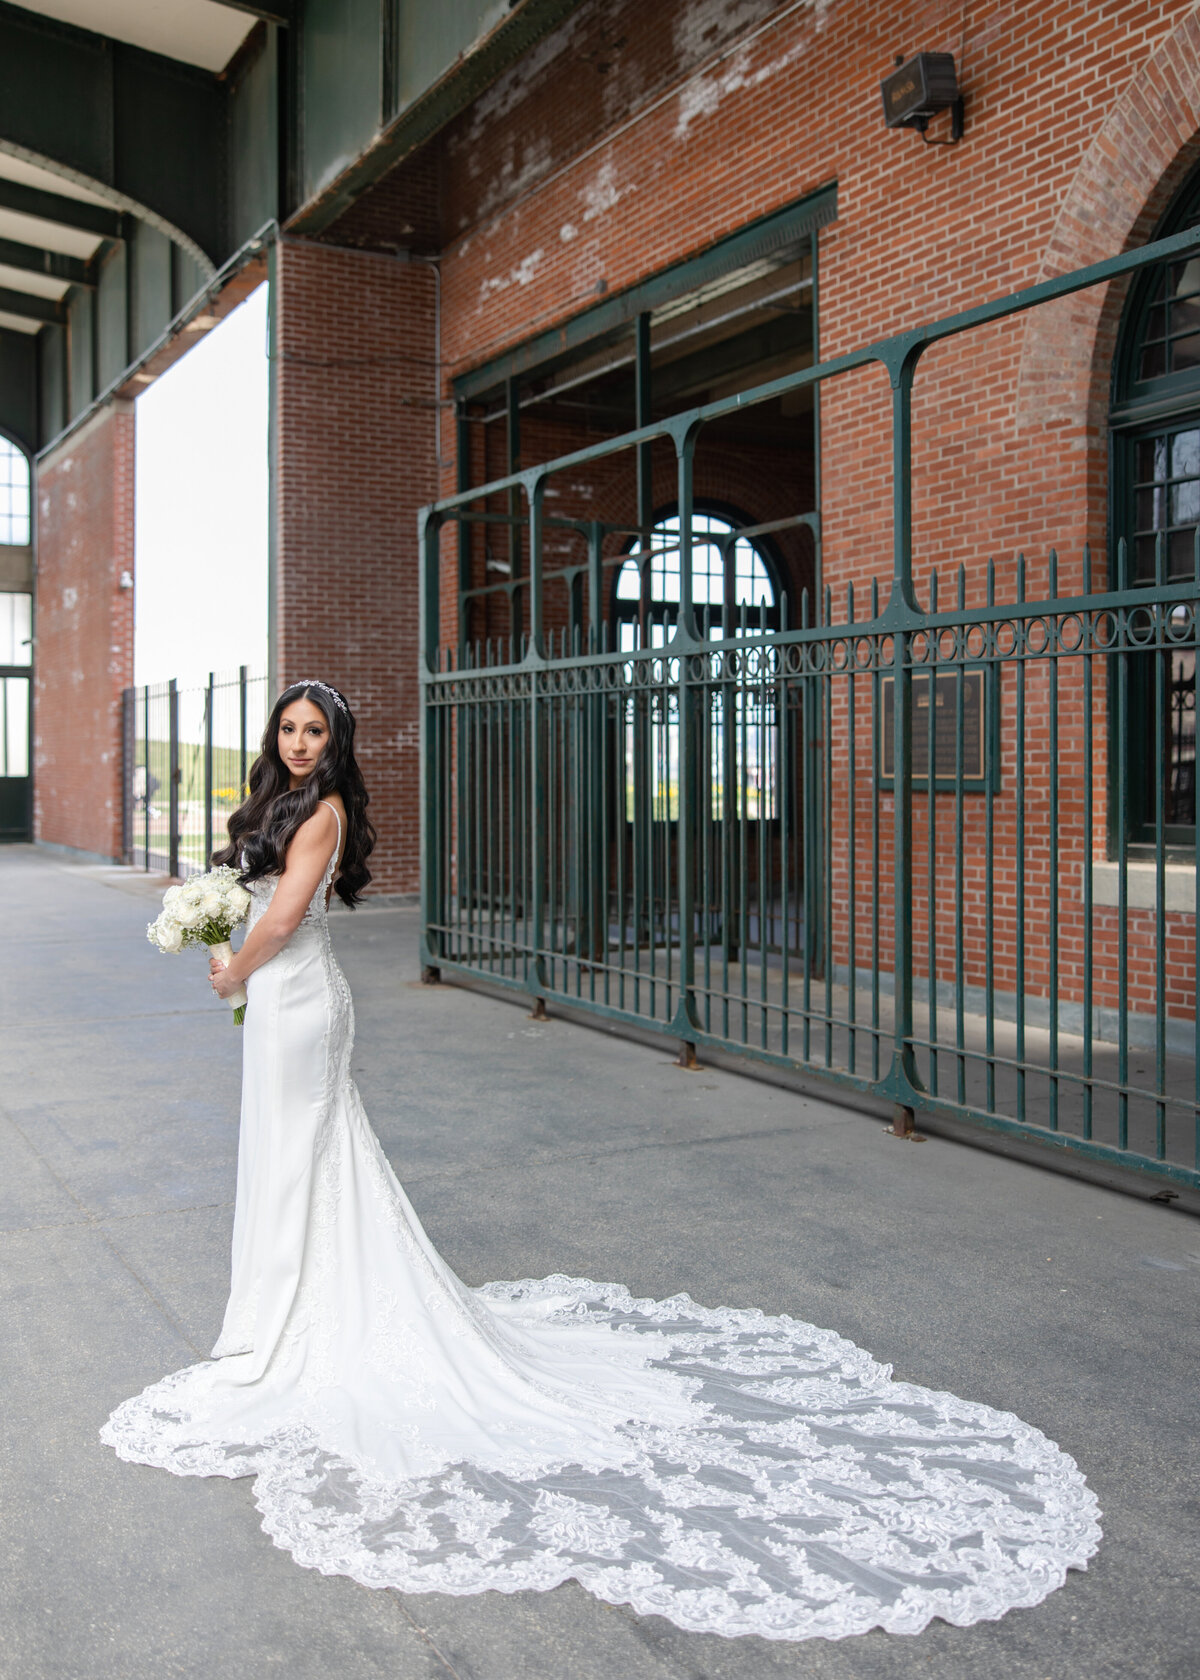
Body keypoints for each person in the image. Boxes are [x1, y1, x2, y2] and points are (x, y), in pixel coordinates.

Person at [102, 681, 1100, 1641]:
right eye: (290, 728)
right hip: (275, 1000)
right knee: (292, 1159)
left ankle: (290, 1323)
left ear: (338, 741)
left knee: (305, 1159)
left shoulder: (319, 813)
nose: (301, 743)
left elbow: (282, 919)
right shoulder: (277, 804)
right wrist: (223, 928)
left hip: (296, 996)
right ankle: (275, 1313)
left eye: (316, 730)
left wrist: (234, 958)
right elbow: (255, 897)